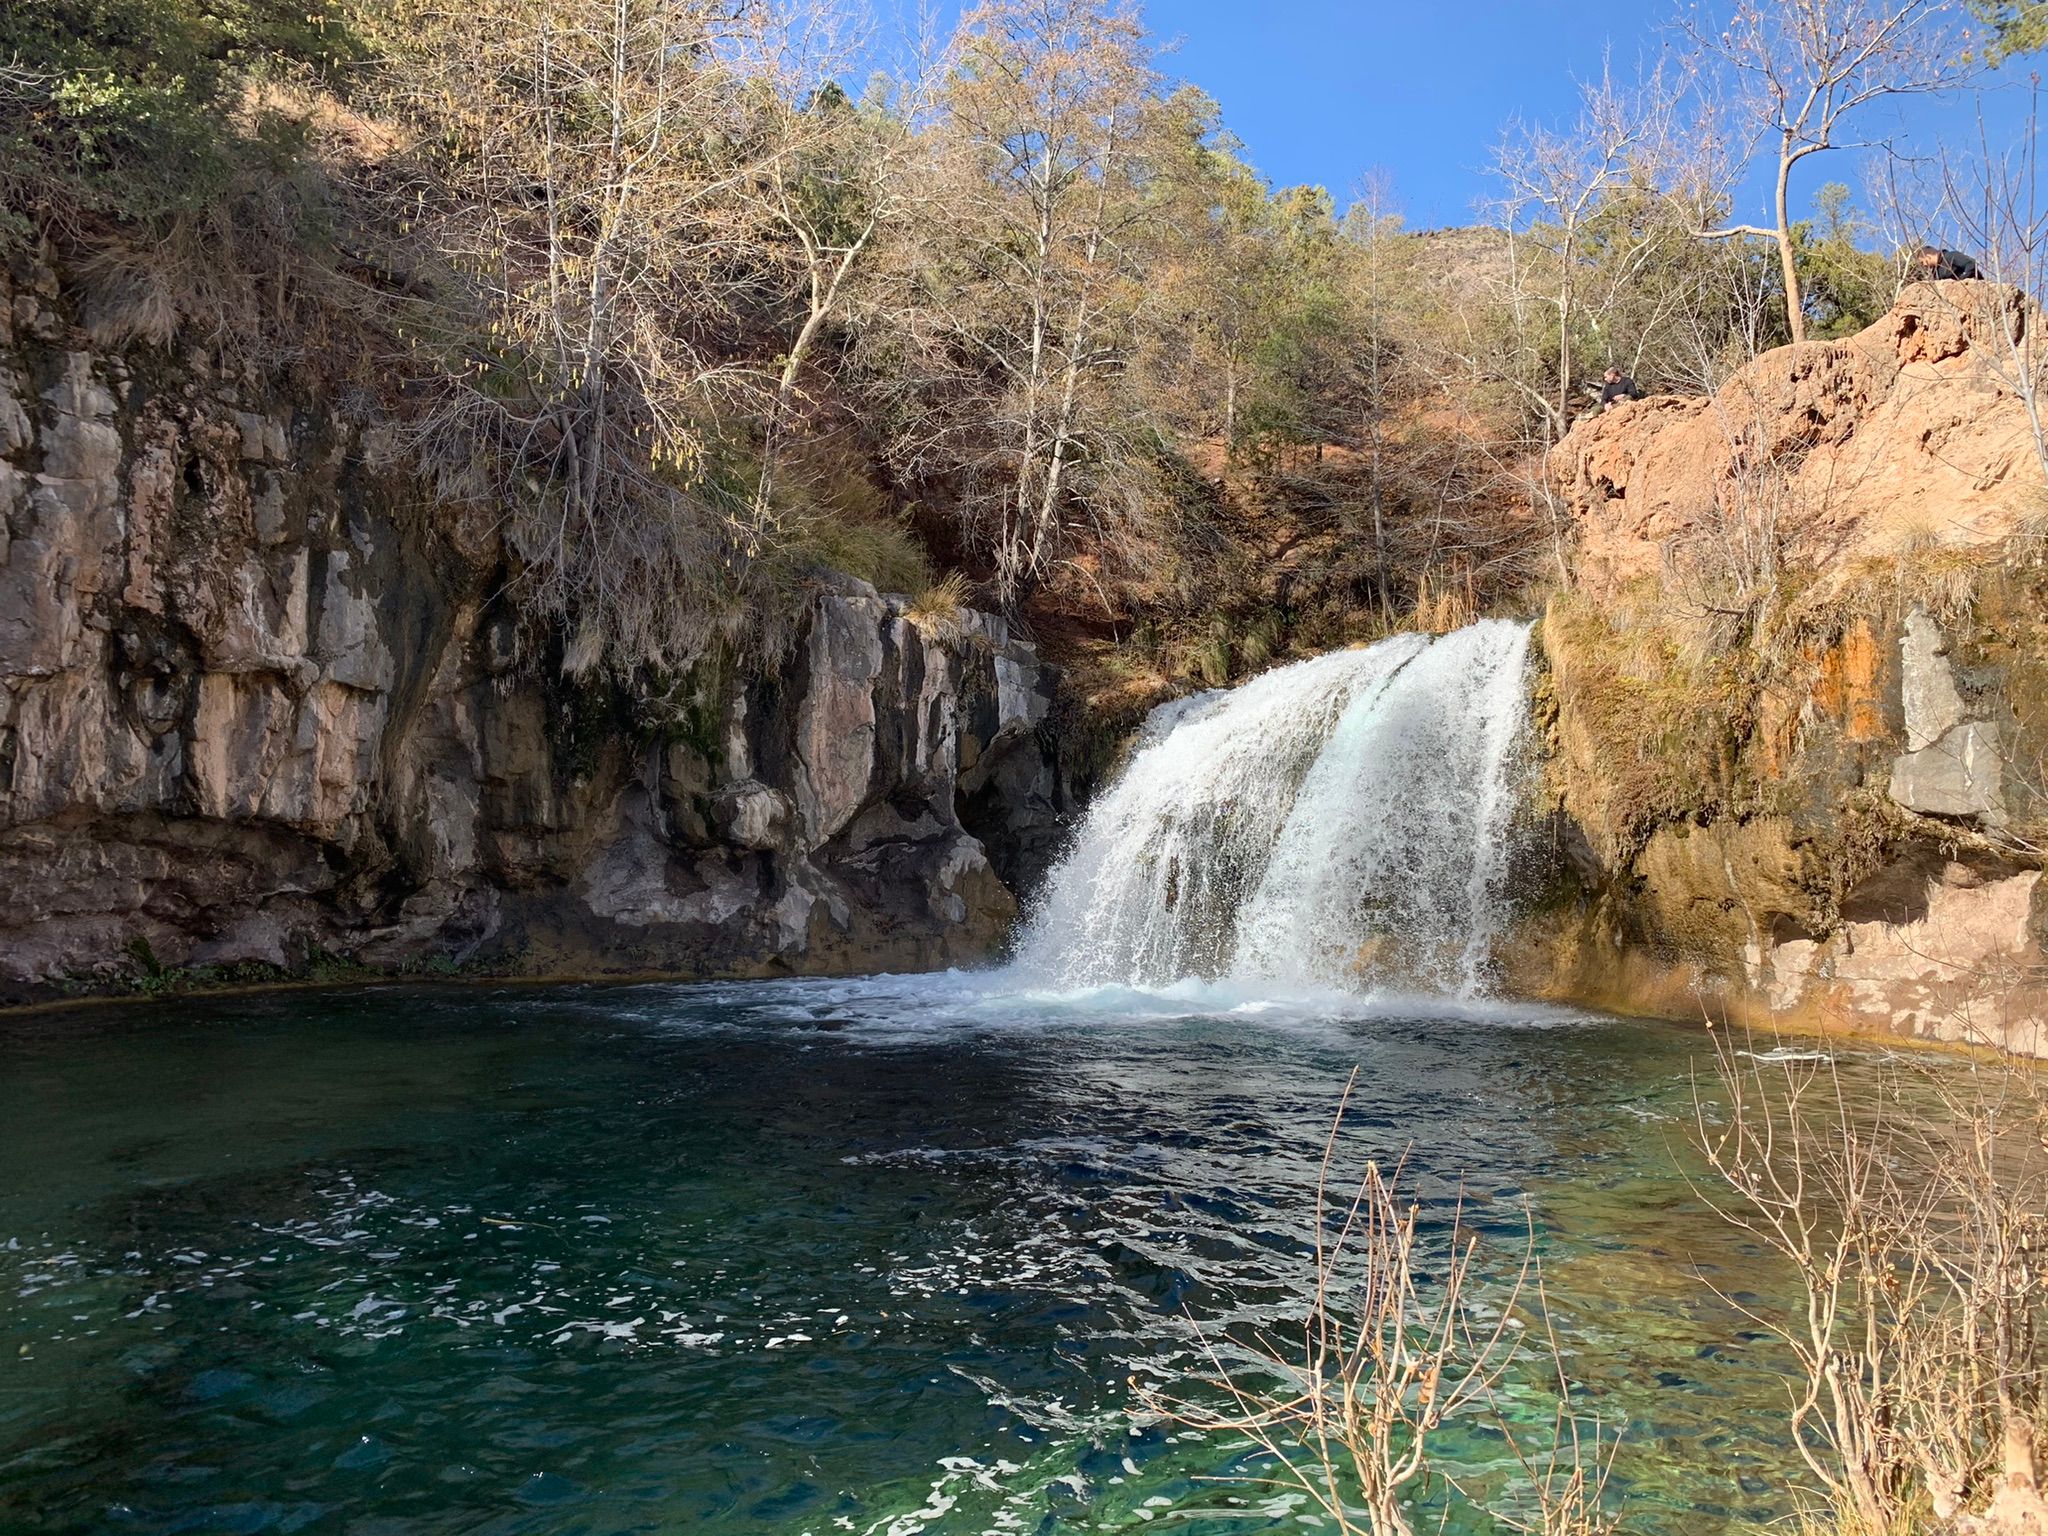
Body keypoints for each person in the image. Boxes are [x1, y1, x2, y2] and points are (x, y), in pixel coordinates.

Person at [1916, 244, 1982, 281]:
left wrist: (1961, 281)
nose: (1924, 265)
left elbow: (1971, 264)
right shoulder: (1935, 273)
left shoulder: (1951, 256)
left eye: (1922, 262)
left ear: (1928, 257)